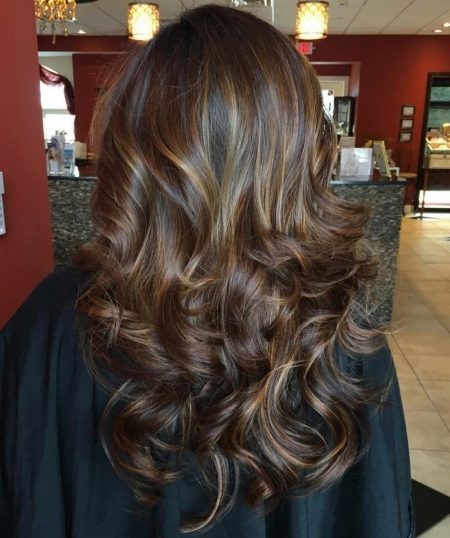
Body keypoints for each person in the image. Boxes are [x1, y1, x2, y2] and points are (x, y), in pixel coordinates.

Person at [0, 5, 413, 537]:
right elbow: (377, 516)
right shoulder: (341, 333)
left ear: (129, 145)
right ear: (300, 151)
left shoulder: (55, 319)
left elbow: (24, 499)